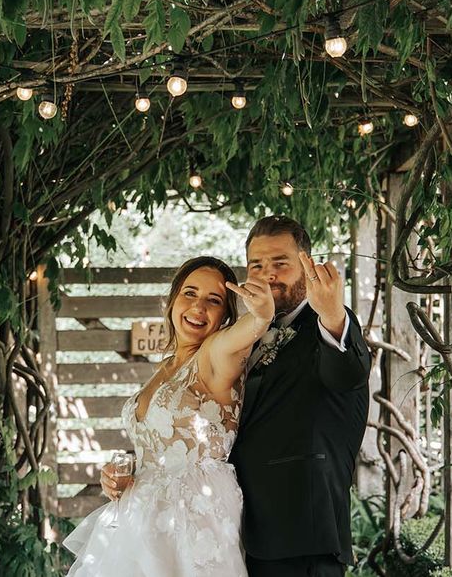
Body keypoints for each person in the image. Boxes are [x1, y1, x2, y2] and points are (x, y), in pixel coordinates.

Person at [102, 216, 372, 577]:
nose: (268, 274)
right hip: (230, 526)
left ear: (307, 265)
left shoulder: (328, 325)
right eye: (257, 265)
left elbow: (348, 375)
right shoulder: (249, 337)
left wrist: (335, 315)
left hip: (299, 529)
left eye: (280, 263)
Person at [65, 255, 274, 577]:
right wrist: (124, 474)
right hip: (140, 522)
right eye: (189, 293)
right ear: (173, 299)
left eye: (213, 300)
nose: (198, 307)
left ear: (225, 317)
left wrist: (261, 314)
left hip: (191, 524)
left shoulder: (216, 354)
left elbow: (251, 327)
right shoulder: (165, 367)